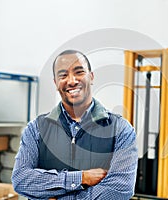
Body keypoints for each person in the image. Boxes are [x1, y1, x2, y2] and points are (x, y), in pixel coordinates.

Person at [11, 49, 138, 199]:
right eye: (63, 75)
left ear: (91, 77)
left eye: (79, 72)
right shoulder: (35, 129)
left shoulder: (121, 129)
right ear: (56, 83)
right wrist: (81, 178)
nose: (71, 81)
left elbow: (119, 189)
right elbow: (21, 179)